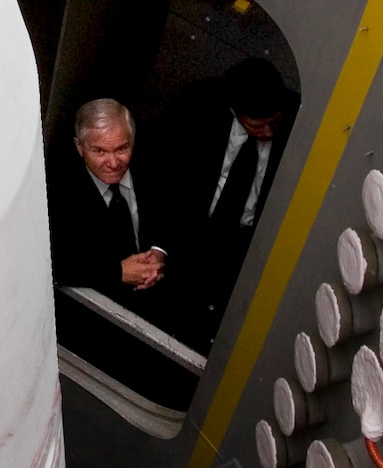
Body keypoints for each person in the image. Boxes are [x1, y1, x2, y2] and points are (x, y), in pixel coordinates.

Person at [162, 57, 294, 348]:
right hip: (195, 228)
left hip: (246, 241)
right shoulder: (199, 108)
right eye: (258, 125)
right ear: (236, 111)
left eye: (275, 122)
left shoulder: (294, 128)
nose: (269, 132)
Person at [47, 98, 169, 312]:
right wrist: (117, 272)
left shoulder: (155, 163)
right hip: (91, 314)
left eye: (122, 149)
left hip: (156, 308)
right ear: (79, 147)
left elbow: (175, 214)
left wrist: (159, 252)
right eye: (100, 151)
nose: (113, 163)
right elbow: (55, 260)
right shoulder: (59, 188)